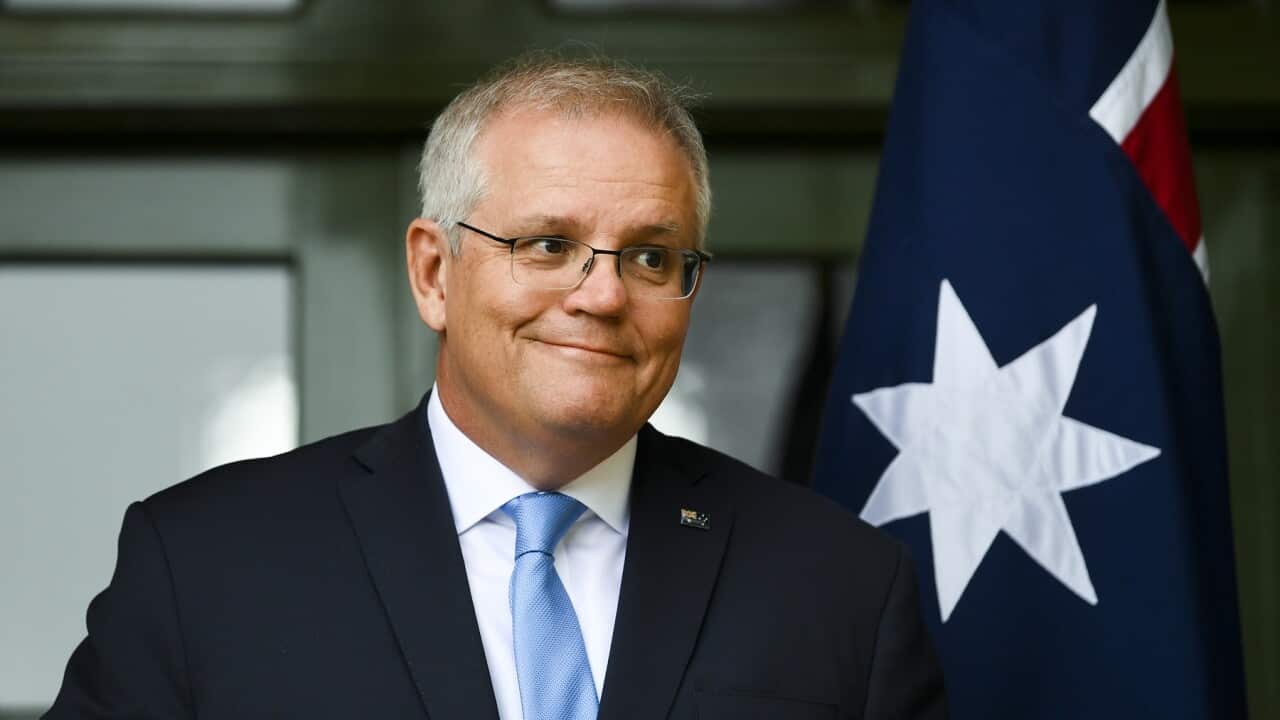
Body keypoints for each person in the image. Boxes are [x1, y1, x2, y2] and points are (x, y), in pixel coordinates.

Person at [46, 53, 946, 720]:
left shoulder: (841, 585)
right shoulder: (205, 563)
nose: (601, 294)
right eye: (549, 244)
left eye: (649, 255)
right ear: (435, 273)